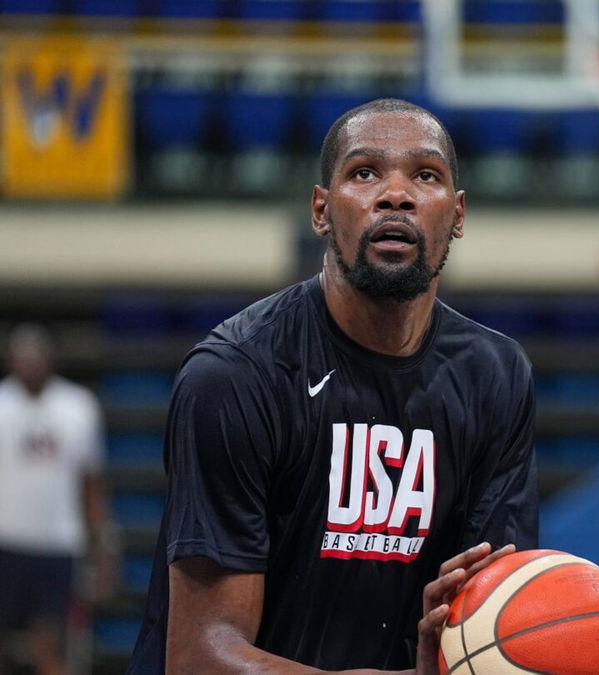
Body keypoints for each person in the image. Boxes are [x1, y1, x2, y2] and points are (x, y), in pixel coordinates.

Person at [127, 98, 539, 674]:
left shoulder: (496, 375)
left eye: (426, 175)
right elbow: (199, 656)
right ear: (321, 210)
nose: (396, 195)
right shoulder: (236, 374)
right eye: (364, 172)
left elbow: (496, 620)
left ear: (459, 214)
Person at [0, 323, 118, 675]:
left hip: (57, 543)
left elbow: (92, 483)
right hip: (5, 538)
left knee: (50, 648)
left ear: (50, 360)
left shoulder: (78, 407)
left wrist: (104, 548)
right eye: (23, 357)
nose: (29, 364)